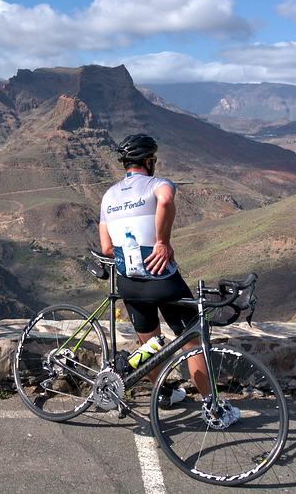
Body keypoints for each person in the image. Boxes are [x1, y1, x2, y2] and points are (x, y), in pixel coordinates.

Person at [99, 133, 239, 425]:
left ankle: (164, 392)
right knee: (191, 340)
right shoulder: (158, 183)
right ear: (149, 162)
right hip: (161, 279)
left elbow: (106, 248)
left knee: (148, 342)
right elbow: (165, 200)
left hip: (128, 282)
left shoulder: (108, 195)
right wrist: (161, 241)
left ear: (125, 163)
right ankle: (214, 409)